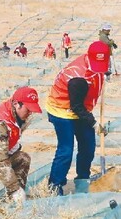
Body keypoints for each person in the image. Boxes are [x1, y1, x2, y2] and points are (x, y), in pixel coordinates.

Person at [46, 41, 110, 195]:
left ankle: (82, 179)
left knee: (88, 146)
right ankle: (55, 184)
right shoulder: (77, 77)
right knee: (66, 149)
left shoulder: (98, 63)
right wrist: (94, 123)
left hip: (81, 108)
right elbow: (76, 106)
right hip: (61, 110)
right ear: (89, 57)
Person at [0, 86, 42, 202]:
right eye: (28, 109)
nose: (30, 113)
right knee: (5, 167)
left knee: (23, 158)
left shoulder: (16, 116)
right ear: (17, 104)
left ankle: (14, 200)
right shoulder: (1, 122)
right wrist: (14, 188)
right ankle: (15, 194)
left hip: (1, 155)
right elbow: (0, 160)